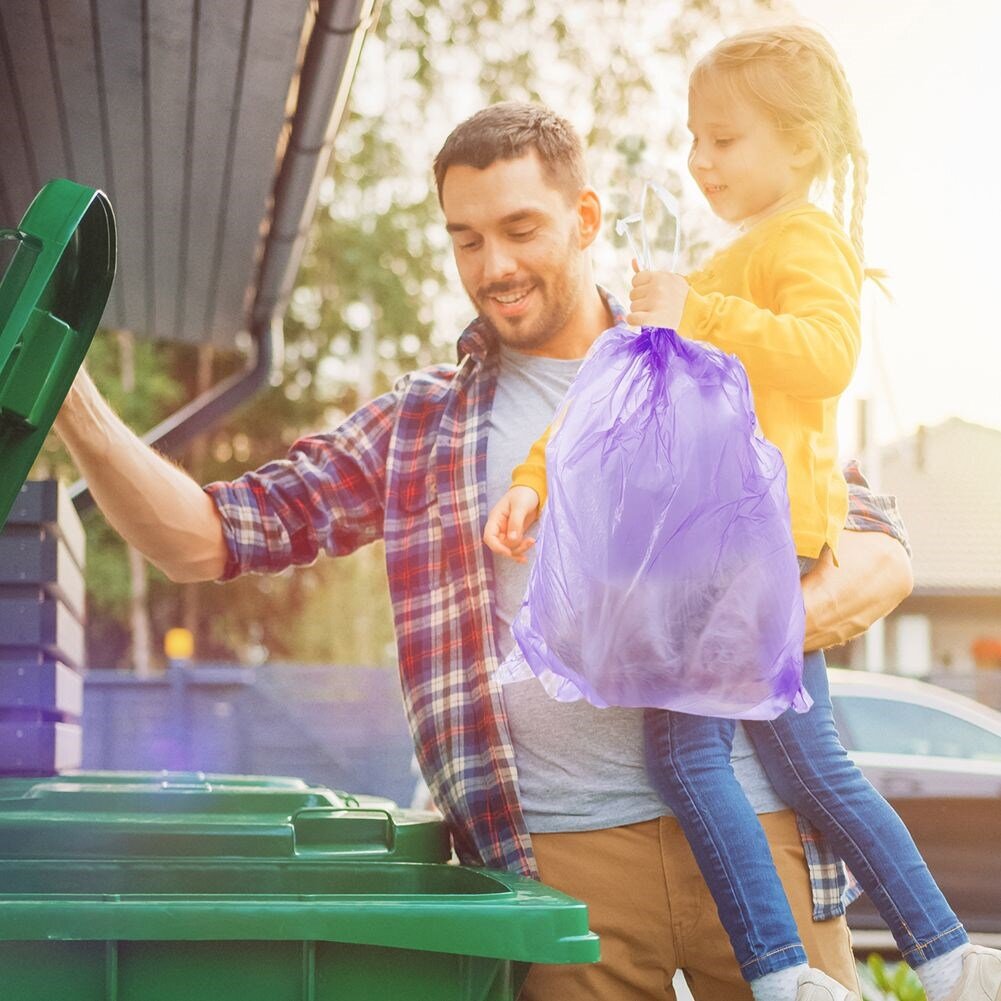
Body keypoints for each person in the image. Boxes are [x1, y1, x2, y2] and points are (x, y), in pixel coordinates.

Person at [55, 101, 920, 1001]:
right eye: (465, 239)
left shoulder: (712, 347)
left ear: (584, 218)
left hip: (757, 823)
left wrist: (717, 640)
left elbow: (877, 548)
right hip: (560, 861)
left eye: (519, 228)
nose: (494, 266)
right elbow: (202, 539)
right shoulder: (422, 424)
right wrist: (69, 389)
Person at [484, 29, 1000, 1001]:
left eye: (724, 139)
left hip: (744, 545)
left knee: (681, 749)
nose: (699, 160)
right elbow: (610, 400)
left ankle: (776, 969)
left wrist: (693, 312)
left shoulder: (801, 240)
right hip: (732, 543)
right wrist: (533, 477)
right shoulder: (735, 257)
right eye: (693, 139)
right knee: (811, 761)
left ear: (799, 148)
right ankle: (945, 954)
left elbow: (824, 353)